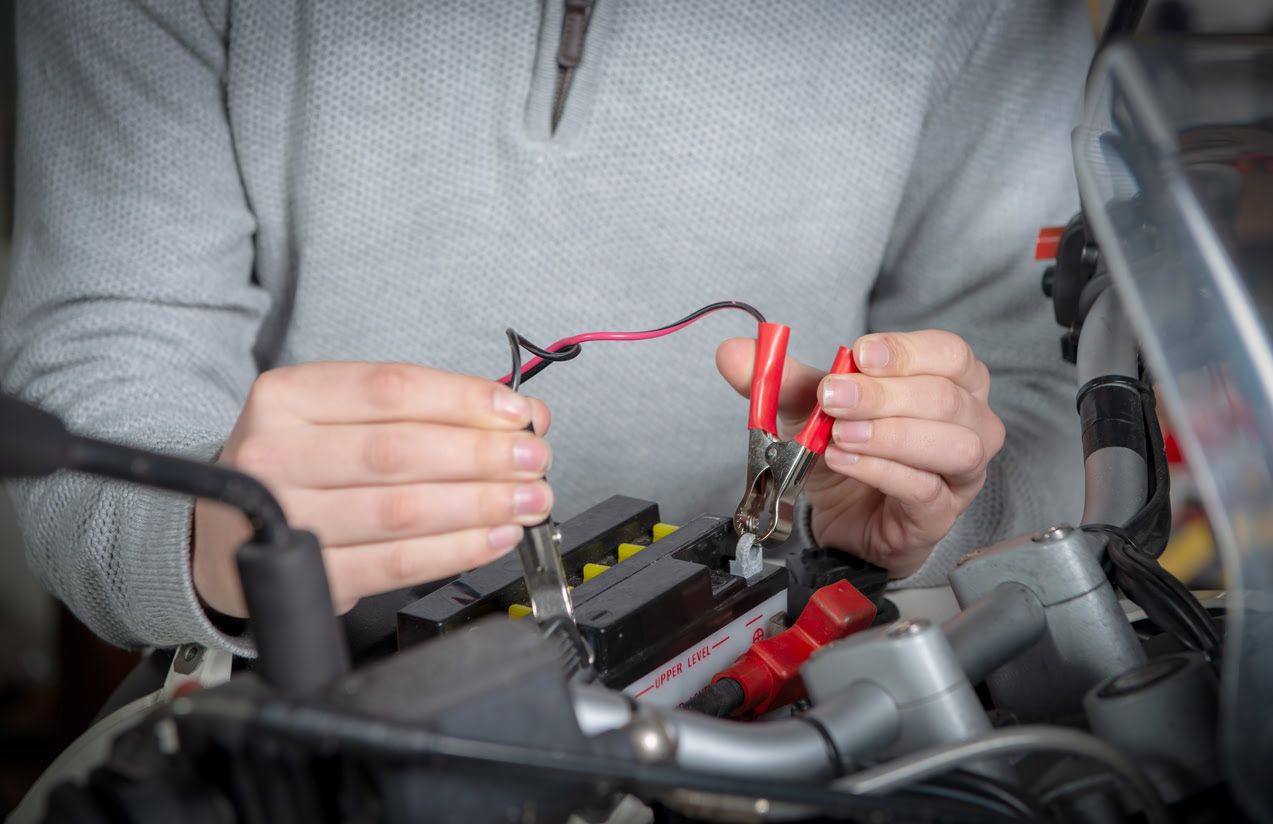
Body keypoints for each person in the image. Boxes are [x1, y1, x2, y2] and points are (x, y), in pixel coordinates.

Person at [0, 1, 1091, 656]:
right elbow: (100, 354)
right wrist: (205, 538)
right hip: (303, 682)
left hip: (791, 669)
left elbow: (1055, 416)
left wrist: (940, 504)